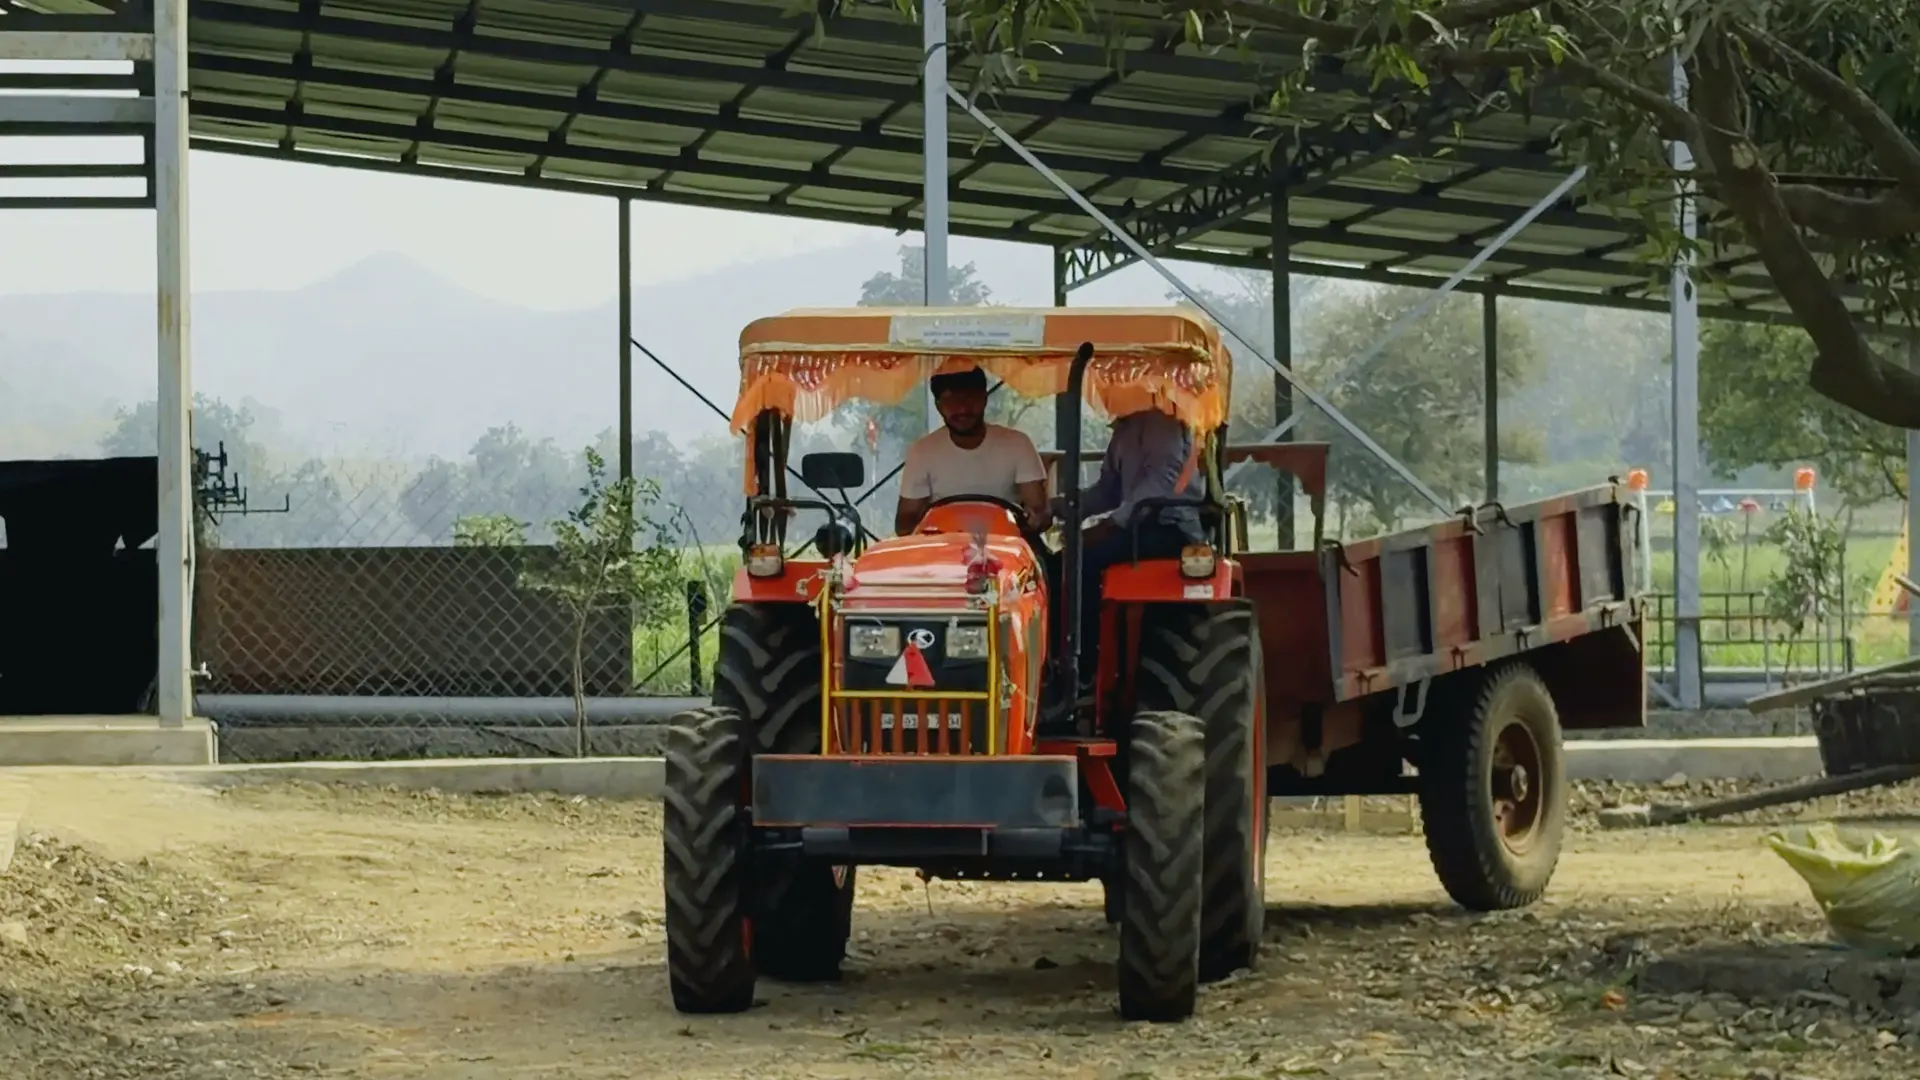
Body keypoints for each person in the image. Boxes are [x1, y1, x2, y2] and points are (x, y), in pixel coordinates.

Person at [1066, 404, 1205, 678]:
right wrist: (1064, 508)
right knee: (1062, 560)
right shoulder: (1125, 429)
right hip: (1136, 526)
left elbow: (1160, 485)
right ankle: (1060, 659)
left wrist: (1110, 524)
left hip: (1169, 527)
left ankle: (1084, 665)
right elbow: (1109, 490)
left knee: (1084, 563)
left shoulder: (1162, 424)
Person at [894, 367, 1053, 536]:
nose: (962, 409)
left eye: (970, 398)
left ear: (984, 399)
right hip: (943, 547)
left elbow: (1039, 510)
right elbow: (904, 524)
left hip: (1005, 544)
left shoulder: (1018, 444)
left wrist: (1036, 517)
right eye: (951, 401)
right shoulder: (922, 451)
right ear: (938, 406)